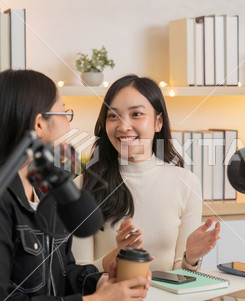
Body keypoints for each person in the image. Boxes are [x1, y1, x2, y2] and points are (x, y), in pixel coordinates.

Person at [0, 70, 150, 301]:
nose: (68, 124)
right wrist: (94, 302)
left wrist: (99, 282)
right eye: (63, 112)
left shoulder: (47, 189)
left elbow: (60, 274)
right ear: (40, 124)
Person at [73, 74, 220, 272]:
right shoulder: (83, 187)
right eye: (113, 116)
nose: (124, 126)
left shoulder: (186, 183)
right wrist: (114, 258)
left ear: (158, 122)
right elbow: (76, 275)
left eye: (136, 114)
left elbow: (181, 275)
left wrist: (190, 258)